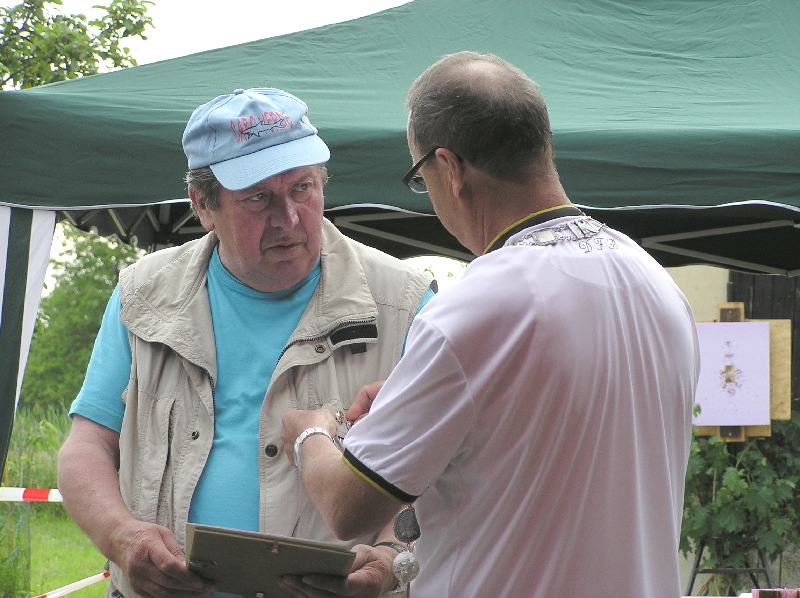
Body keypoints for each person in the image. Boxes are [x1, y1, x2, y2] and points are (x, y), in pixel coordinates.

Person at [280, 52, 701, 598]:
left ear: (450, 168)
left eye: (420, 177)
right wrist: (432, 404)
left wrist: (309, 432)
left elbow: (348, 507)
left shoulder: (477, 306)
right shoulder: (653, 282)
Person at [57, 87, 434, 598]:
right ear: (203, 206)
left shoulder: (405, 305)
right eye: (258, 198)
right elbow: (87, 447)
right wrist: (121, 538)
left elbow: (442, 469)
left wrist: (391, 557)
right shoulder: (142, 297)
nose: (289, 217)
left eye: (303, 188)